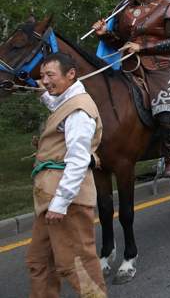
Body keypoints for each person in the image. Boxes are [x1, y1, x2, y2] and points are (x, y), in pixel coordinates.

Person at [93, 0, 170, 177]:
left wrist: (142, 47)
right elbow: (121, 43)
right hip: (127, 66)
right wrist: (105, 34)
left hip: (160, 66)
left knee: (165, 110)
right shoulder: (122, 10)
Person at [26, 52, 106, 297]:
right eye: (42, 76)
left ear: (71, 74)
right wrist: (42, 91)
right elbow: (57, 105)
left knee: (76, 264)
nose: (46, 81)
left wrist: (60, 204)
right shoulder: (65, 100)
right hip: (50, 200)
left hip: (66, 201)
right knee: (39, 262)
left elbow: (79, 161)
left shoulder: (79, 112)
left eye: (50, 75)